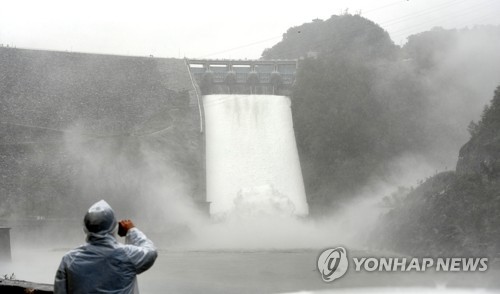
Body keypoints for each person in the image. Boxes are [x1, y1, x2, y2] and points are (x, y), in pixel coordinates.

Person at [54, 200, 157, 294]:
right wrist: (132, 231)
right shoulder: (127, 255)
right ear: (113, 227)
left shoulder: (69, 260)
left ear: (85, 227)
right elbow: (151, 251)